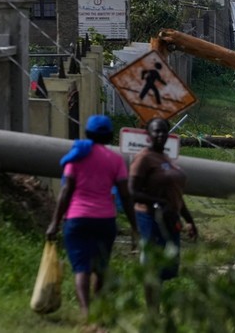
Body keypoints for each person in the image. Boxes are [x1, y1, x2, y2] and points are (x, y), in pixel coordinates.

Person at [46, 115, 139, 320]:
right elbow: (125, 195)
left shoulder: (77, 156)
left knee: (82, 269)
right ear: (109, 136)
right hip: (105, 221)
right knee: (100, 268)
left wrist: (54, 222)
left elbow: (66, 191)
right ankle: (97, 311)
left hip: (77, 219)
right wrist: (134, 226)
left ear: (87, 134)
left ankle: (87, 314)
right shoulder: (115, 161)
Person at [130, 117, 197, 306]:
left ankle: (157, 304)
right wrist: (159, 202)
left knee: (168, 266)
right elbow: (133, 192)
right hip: (150, 217)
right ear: (148, 135)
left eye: (163, 131)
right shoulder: (143, 158)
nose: (160, 135)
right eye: (155, 131)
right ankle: (152, 310)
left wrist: (190, 220)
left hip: (170, 217)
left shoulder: (166, 158)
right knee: (153, 264)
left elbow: (176, 195)